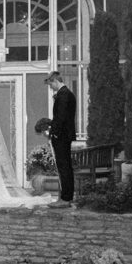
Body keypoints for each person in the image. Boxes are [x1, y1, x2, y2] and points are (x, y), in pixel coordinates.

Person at [45, 71, 78, 208]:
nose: (51, 87)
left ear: (55, 81)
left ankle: (65, 198)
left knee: (63, 167)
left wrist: (54, 132)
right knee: (66, 167)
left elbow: (61, 117)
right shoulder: (67, 94)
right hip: (65, 135)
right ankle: (67, 196)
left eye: (51, 84)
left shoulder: (63, 95)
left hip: (62, 136)